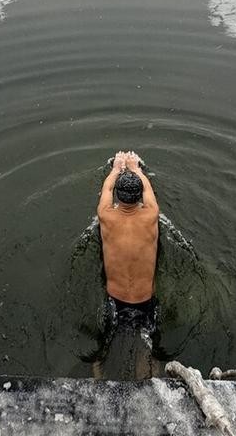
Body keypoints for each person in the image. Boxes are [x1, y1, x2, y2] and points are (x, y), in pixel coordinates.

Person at [94, 150, 160, 377]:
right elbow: (149, 189)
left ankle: (98, 378)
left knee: (103, 349)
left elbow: (107, 189)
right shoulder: (152, 214)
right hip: (146, 300)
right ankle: (149, 381)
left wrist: (115, 168)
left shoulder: (105, 214)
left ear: (118, 198)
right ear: (139, 196)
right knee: (149, 347)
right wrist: (136, 168)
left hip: (115, 300)